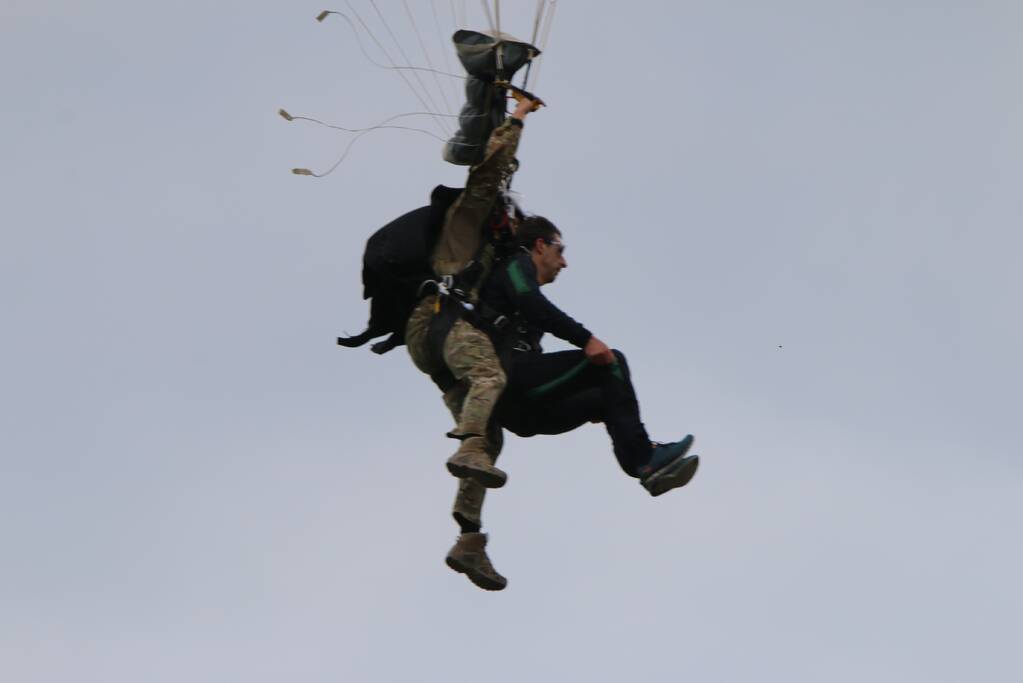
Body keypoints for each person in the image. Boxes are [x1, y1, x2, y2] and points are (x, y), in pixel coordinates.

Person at [404, 93, 543, 591]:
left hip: (440, 343)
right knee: (489, 377)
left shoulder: (490, 257)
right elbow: (490, 172)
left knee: (493, 435)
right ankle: (468, 448)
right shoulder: (467, 218)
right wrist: (518, 118)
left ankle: (469, 539)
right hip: (434, 321)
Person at [482, 217, 701, 495]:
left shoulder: (520, 287)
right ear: (539, 245)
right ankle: (644, 456)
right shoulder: (516, 264)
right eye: (559, 251)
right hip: (511, 382)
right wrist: (585, 339)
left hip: (525, 412)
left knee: (604, 397)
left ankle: (645, 469)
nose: (564, 263)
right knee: (612, 362)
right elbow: (531, 301)